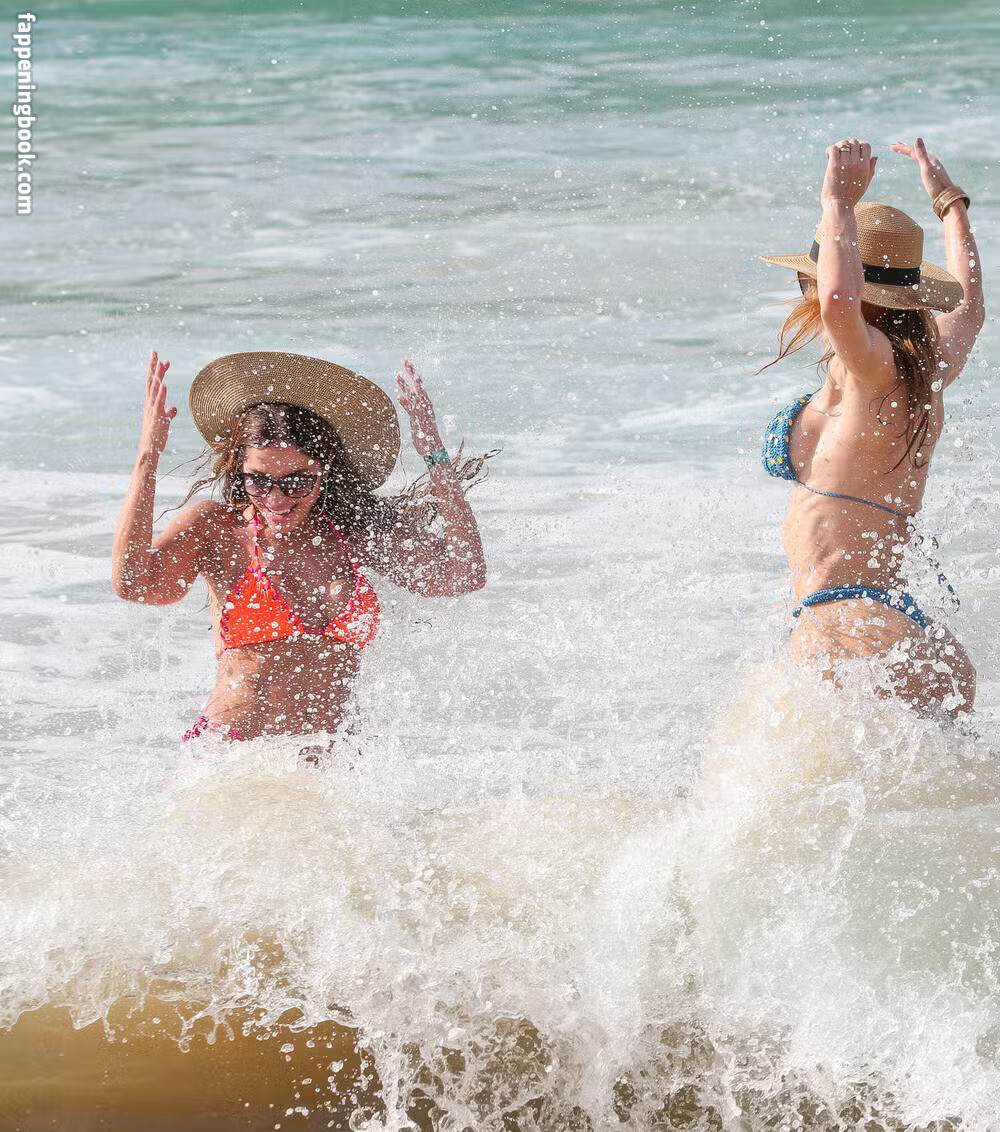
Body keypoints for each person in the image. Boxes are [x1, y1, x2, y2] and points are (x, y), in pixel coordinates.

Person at [112, 350, 488, 745]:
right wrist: (147, 458)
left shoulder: (356, 532)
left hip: (336, 765)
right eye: (259, 480)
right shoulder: (218, 530)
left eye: (296, 482)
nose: (276, 499)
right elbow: (135, 584)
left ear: (325, 468)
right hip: (234, 757)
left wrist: (433, 455)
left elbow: (462, 574)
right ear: (240, 469)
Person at [759, 137, 984, 717]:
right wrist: (950, 204)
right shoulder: (926, 364)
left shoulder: (874, 368)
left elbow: (839, 300)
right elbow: (969, 308)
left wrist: (836, 201)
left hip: (846, 629)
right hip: (899, 627)